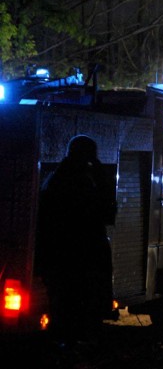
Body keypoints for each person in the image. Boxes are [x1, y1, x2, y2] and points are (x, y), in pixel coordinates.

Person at [37, 135, 117, 343]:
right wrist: (100, 171)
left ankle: (61, 345)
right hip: (82, 253)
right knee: (81, 306)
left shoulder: (55, 177)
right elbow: (106, 210)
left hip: (58, 252)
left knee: (61, 306)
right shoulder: (83, 181)